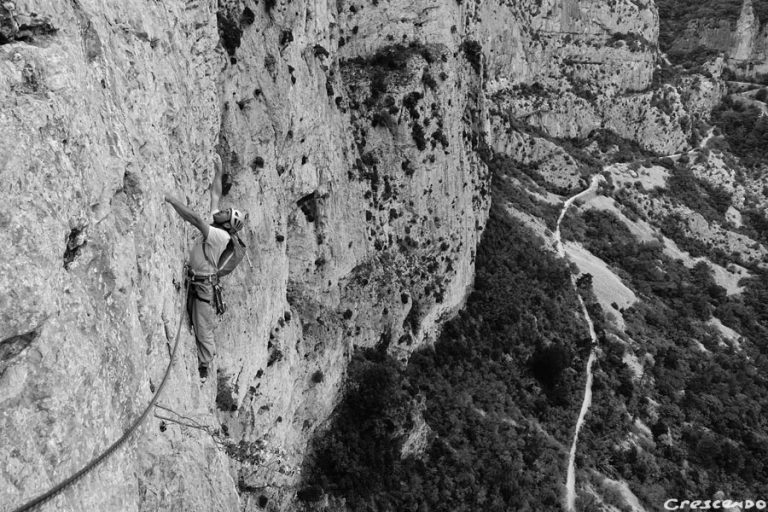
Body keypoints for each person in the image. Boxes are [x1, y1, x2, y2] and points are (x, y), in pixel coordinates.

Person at [164, 154, 246, 382]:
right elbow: (215, 194)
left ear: (227, 224)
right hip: (198, 281)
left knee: (202, 329)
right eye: (225, 211)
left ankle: (203, 367)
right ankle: (203, 362)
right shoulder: (217, 222)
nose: (222, 211)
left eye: (226, 214)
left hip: (204, 288)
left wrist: (172, 201)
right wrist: (218, 171)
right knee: (199, 323)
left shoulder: (220, 236)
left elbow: (195, 220)